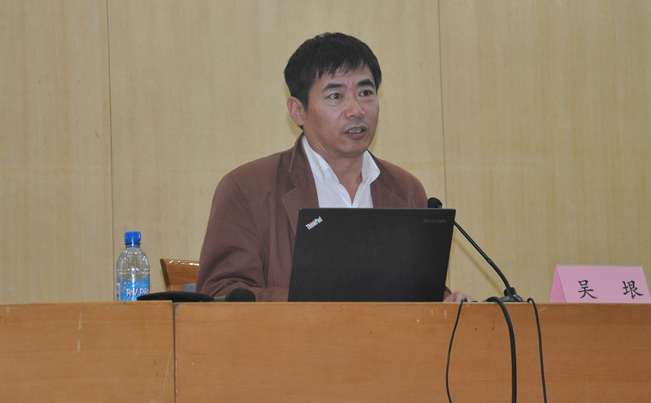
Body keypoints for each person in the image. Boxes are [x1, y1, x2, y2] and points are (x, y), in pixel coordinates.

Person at [196, 32, 469, 302]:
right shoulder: (247, 189)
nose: (356, 110)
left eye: (365, 93)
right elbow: (220, 294)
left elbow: (420, 291)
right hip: (294, 333)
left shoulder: (405, 189)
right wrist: (318, 305)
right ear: (297, 111)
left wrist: (447, 302)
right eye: (336, 96)